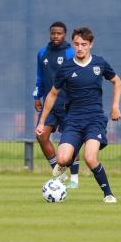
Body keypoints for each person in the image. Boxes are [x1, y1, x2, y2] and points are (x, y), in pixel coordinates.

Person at [36, 27, 121, 203]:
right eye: (76, 44)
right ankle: (64, 167)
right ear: (73, 45)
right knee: (62, 158)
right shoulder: (66, 68)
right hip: (73, 120)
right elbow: (52, 94)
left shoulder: (99, 63)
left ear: (91, 44)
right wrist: (41, 122)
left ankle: (108, 195)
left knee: (90, 158)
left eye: (84, 44)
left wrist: (115, 106)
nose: (80, 48)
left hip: (95, 120)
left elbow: (117, 81)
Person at [33, 21, 80, 188]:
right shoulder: (42, 53)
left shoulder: (70, 53)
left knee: (71, 141)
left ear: (65, 35)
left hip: (68, 105)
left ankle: (74, 178)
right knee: (41, 136)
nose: (55, 36)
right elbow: (40, 77)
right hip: (49, 105)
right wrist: (37, 96)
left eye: (59, 33)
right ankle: (59, 173)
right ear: (49, 34)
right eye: (53, 33)